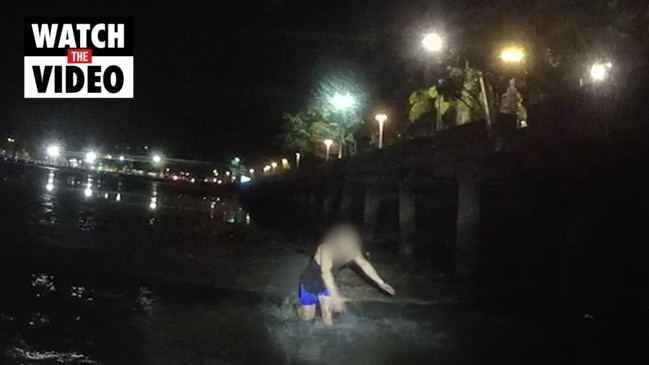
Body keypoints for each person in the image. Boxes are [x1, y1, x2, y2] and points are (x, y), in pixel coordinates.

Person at [297, 224, 395, 325]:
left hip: (327, 285)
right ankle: (297, 309)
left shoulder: (352, 248)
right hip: (310, 282)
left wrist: (381, 282)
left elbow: (363, 263)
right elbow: (326, 273)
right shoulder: (326, 248)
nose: (349, 248)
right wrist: (335, 295)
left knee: (327, 316)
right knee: (307, 318)